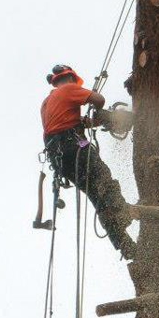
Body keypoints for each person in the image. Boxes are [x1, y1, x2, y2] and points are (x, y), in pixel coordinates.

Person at [40, 64, 135, 259]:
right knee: (104, 180)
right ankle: (121, 211)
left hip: (61, 161)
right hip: (75, 149)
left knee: (96, 195)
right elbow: (99, 100)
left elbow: (64, 124)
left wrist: (91, 122)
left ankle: (124, 245)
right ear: (71, 79)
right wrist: (97, 108)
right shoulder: (69, 89)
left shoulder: (47, 102)